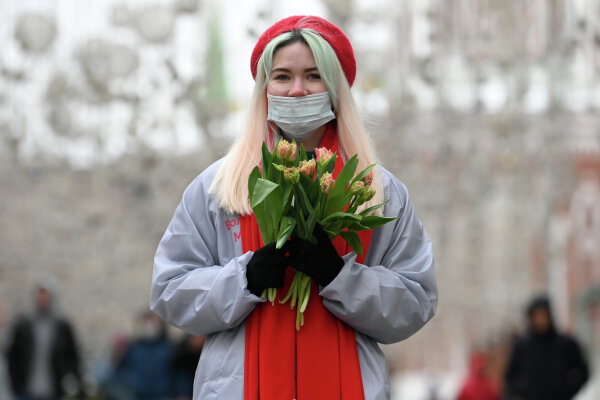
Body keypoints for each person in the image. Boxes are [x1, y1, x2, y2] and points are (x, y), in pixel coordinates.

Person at [150, 15, 437, 399]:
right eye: (283, 76)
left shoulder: (376, 192)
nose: (297, 90)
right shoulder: (218, 188)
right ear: (264, 89)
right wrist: (244, 279)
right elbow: (169, 290)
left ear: (335, 88)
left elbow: (417, 299)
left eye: (314, 76)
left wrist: (340, 277)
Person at [6, 278, 83, 400]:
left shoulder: (62, 327)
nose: (42, 300)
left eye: (45, 297)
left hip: (53, 391)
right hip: (26, 391)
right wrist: (16, 386)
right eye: (40, 297)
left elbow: (73, 357)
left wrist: (76, 383)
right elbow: (12, 357)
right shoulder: (23, 326)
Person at [504, 295, 589, 400]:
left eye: (544, 315)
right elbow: (510, 376)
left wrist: (569, 390)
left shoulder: (566, 343)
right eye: (537, 315)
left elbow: (582, 371)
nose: (541, 319)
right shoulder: (522, 346)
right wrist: (520, 393)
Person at [113, 311, 175, 400]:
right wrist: (129, 383)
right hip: (137, 396)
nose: (149, 325)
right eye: (145, 321)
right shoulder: (133, 347)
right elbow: (120, 370)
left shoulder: (168, 348)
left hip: (163, 395)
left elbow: (177, 373)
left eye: (151, 321)